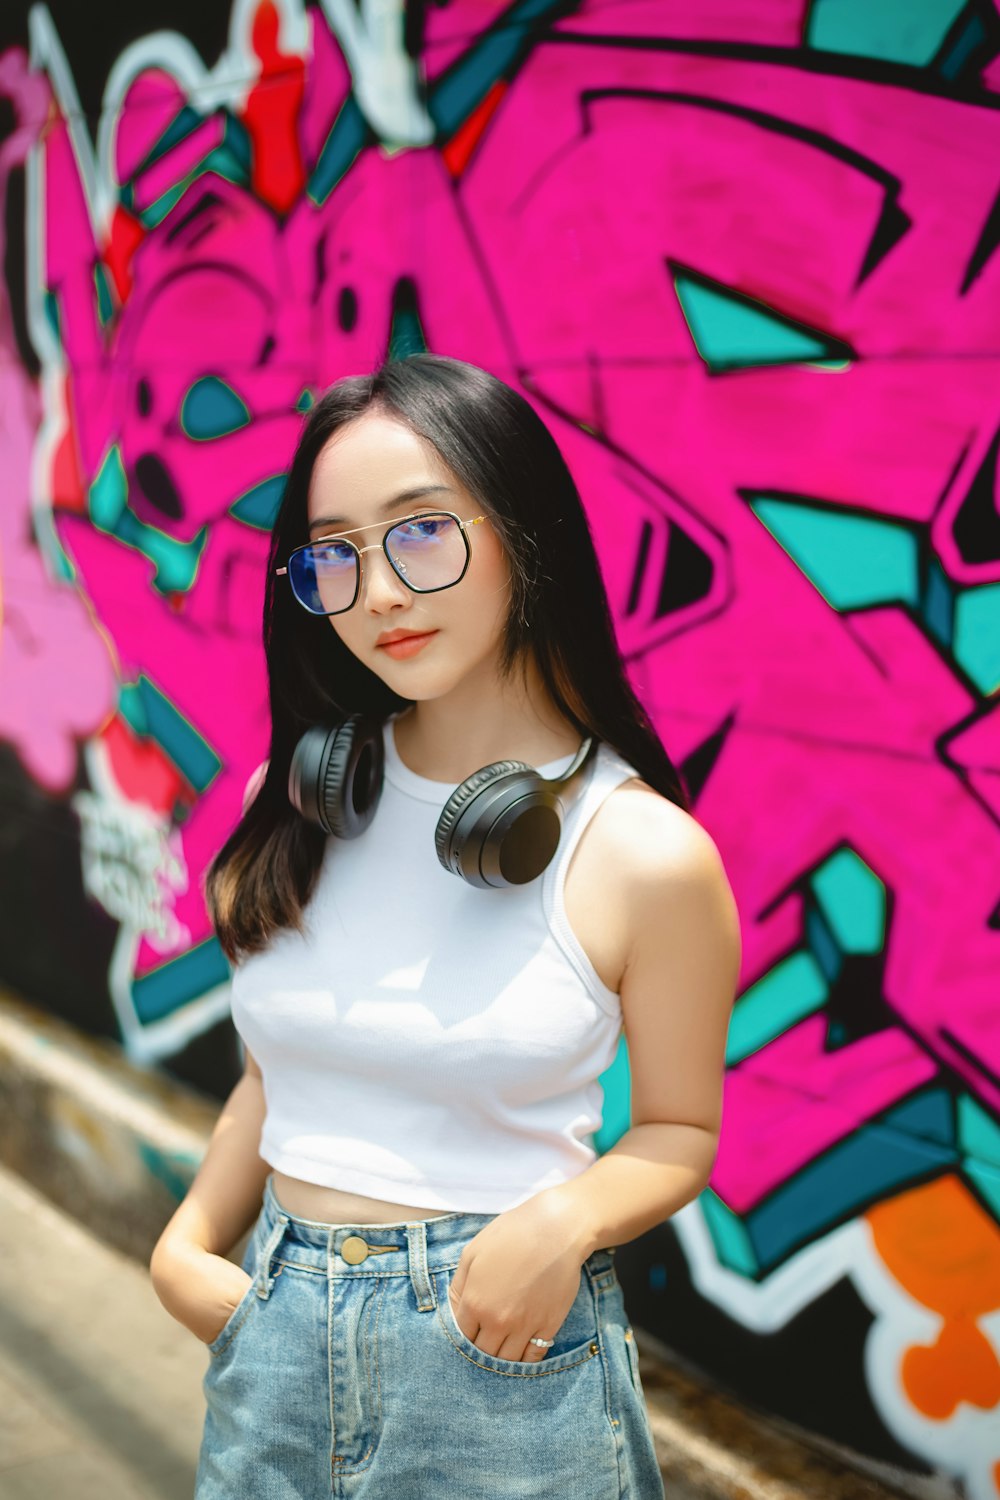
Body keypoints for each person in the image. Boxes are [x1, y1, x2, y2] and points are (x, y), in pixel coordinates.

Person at [149, 353, 741, 1497]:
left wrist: (564, 1223)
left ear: (524, 533)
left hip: (495, 1361)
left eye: (420, 533)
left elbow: (679, 1132)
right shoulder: (303, 798)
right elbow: (279, 1073)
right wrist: (185, 1245)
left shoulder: (642, 852)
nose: (375, 593)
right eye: (335, 555)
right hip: (269, 1346)